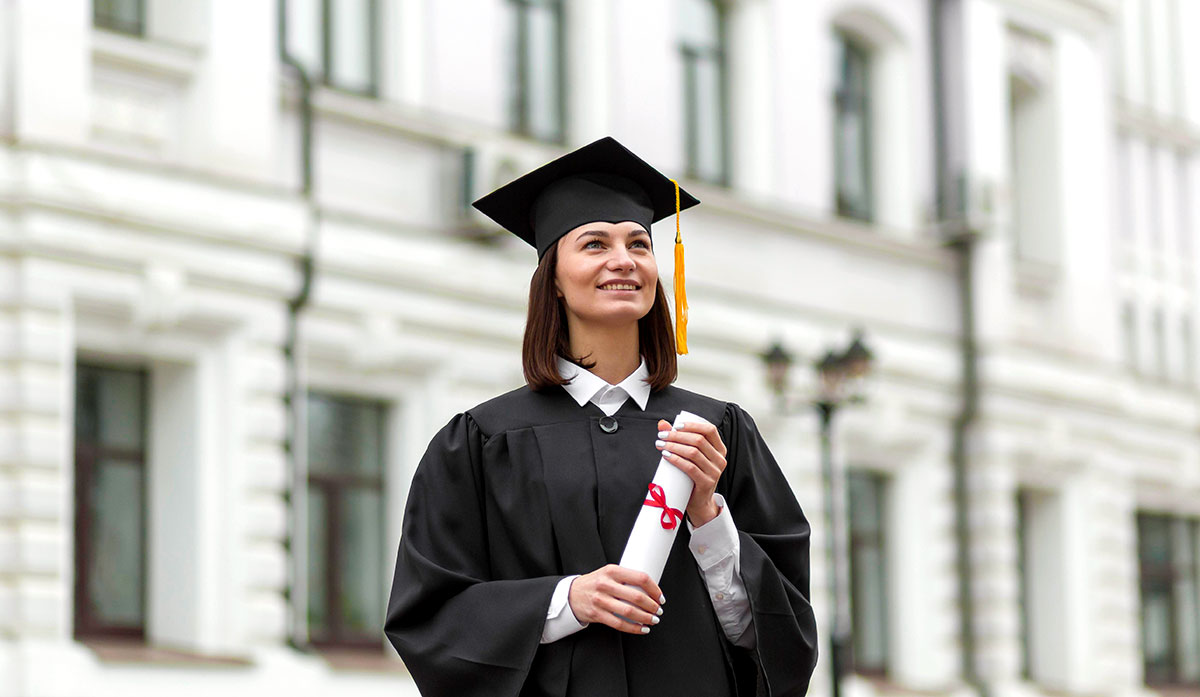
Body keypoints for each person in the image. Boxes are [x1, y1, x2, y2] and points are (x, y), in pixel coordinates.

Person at [384, 137, 817, 697]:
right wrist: (567, 600)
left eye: (639, 243)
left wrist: (709, 517)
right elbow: (430, 618)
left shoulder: (720, 432)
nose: (623, 260)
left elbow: (778, 640)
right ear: (554, 280)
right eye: (594, 244)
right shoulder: (483, 440)